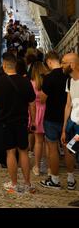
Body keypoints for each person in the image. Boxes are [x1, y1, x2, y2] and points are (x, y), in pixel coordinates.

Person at [0, 53, 36, 193]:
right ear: (15, 65)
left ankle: (14, 184)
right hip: (21, 122)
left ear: (4, 65)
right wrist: (32, 120)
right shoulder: (25, 81)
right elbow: (32, 104)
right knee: (24, 152)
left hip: (4, 123)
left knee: (10, 153)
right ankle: (28, 184)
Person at [39, 51, 75, 190]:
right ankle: (71, 180)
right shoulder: (70, 75)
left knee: (52, 149)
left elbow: (42, 99)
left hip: (51, 118)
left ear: (48, 62)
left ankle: (54, 180)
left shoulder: (49, 78)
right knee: (68, 149)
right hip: (69, 118)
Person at [61, 53, 79, 188]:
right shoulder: (69, 81)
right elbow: (68, 105)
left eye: (64, 62)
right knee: (70, 148)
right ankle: (71, 179)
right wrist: (64, 128)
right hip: (73, 127)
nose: (61, 65)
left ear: (72, 65)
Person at [29, 61, 49, 176]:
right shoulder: (47, 82)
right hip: (47, 111)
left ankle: (36, 167)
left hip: (36, 112)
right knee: (49, 142)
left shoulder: (31, 83)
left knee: (38, 141)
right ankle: (49, 167)